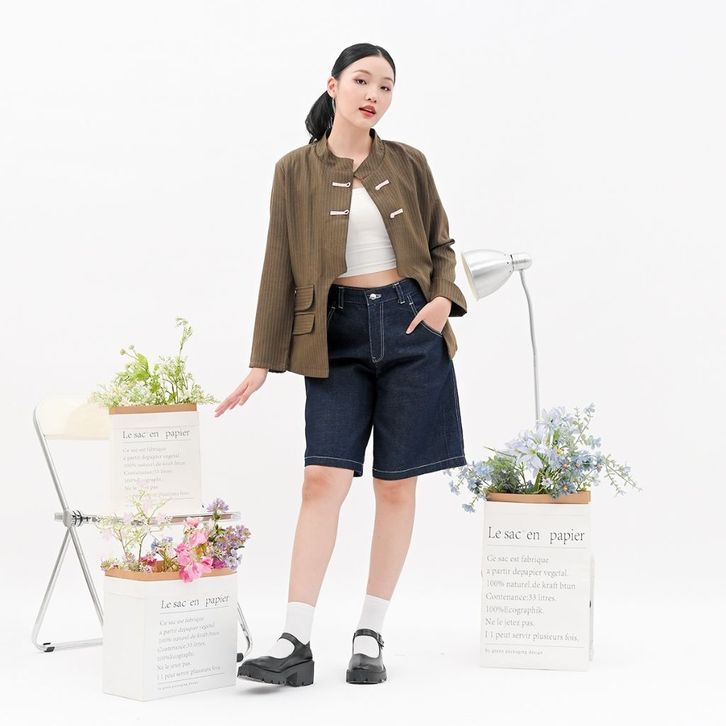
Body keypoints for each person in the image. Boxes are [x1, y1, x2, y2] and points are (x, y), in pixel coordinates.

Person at [215, 42, 468, 687]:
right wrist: (262, 360)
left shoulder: (409, 161)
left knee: (396, 485)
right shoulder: (294, 170)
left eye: (386, 85)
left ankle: (369, 634)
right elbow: (279, 263)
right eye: (362, 80)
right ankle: (294, 638)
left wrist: (441, 300)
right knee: (321, 481)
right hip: (335, 338)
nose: (374, 94)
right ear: (333, 86)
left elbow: (441, 243)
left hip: (411, 329)